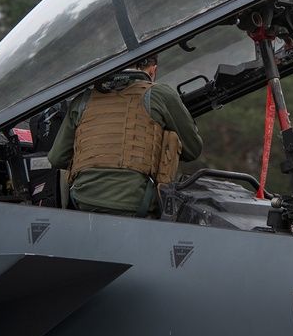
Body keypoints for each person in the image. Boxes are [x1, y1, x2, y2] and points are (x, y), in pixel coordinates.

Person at [48, 54, 203, 217]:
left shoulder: (83, 100)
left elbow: (57, 158)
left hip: (82, 202)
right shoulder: (160, 94)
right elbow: (192, 150)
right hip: (137, 206)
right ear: (152, 70)